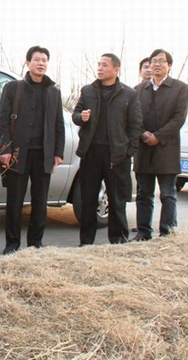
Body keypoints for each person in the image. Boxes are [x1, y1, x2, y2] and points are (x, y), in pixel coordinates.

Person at [0, 46, 65, 254]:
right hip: (17, 153)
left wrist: (58, 152)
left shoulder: (54, 92)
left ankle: (35, 243)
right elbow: (2, 120)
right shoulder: (13, 88)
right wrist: (4, 149)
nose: (41, 63)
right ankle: (12, 244)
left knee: (40, 201)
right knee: (14, 201)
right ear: (28, 63)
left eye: (44, 60)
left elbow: (59, 124)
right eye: (37, 59)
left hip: (43, 154)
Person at [72, 53, 142, 246]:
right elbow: (75, 114)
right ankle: (86, 242)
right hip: (91, 153)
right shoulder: (88, 91)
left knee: (117, 200)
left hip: (116, 156)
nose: (100, 68)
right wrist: (81, 117)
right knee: (88, 200)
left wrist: (128, 152)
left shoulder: (129, 94)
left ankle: (118, 241)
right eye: (99, 64)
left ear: (116, 70)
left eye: (104, 65)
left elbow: (135, 126)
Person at [133, 49, 188, 240]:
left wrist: (158, 136)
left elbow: (179, 118)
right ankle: (143, 232)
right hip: (143, 148)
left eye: (161, 61)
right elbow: (133, 117)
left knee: (167, 194)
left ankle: (167, 232)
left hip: (167, 148)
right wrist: (142, 134)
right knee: (144, 194)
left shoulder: (180, 88)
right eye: (153, 61)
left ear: (169, 66)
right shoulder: (138, 89)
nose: (156, 64)